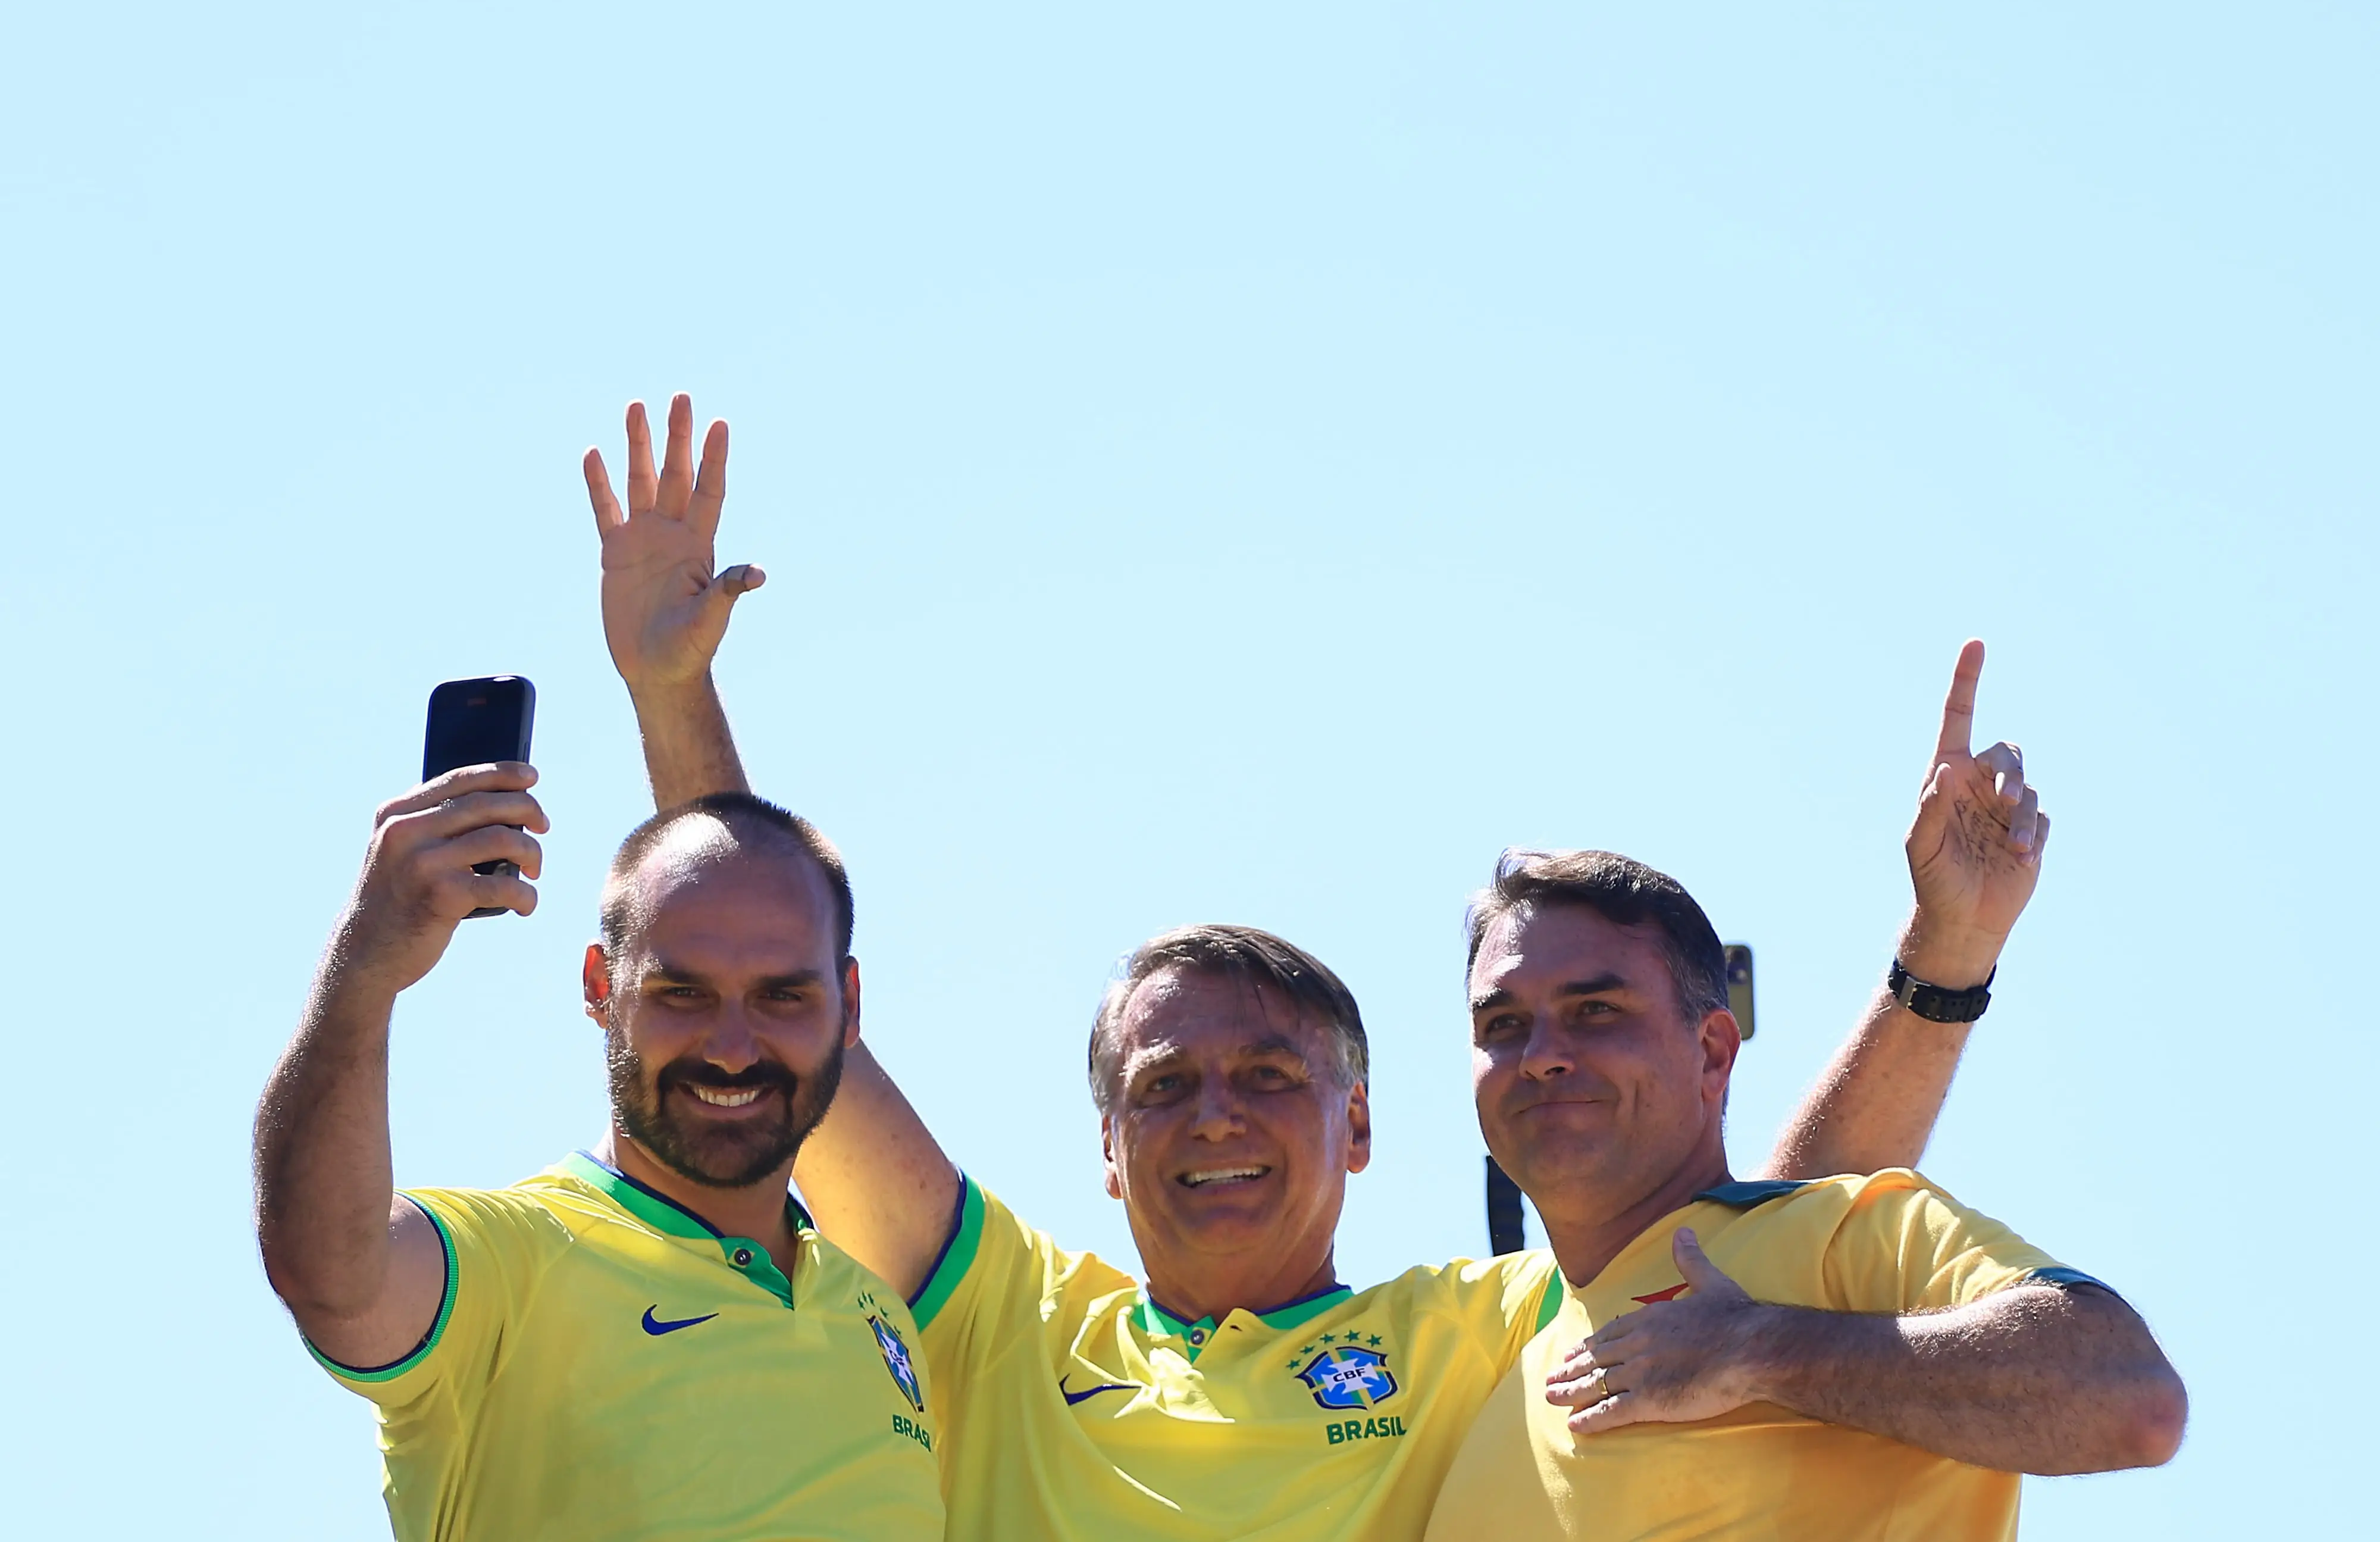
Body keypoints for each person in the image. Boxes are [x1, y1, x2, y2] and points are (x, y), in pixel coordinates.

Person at [579, 393, 2071, 1541]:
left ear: (1359, 1124)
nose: (1215, 1115)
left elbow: (1759, 1233)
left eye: (1270, 1076)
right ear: (1106, 1147)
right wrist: (673, 695)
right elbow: (774, 999)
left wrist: (1938, 966)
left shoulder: (1467, 1342)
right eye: (1166, 1086)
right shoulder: (1004, 1321)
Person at [252, 769, 945, 1542]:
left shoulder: (880, 1317)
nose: (731, 1048)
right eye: (683, 993)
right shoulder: (517, 1258)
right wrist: (365, 967)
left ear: (849, 1006)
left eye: (782, 997)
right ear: (601, 988)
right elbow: (332, 1273)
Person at [1423, 849, 2187, 1539]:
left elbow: (2129, 1399)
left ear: (1712, 1052)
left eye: (1596, 1011)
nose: (1543, 1056)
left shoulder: (1839, 1231)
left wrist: (1760, 1350)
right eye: (1504, 1023)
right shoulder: (1483, 1343)